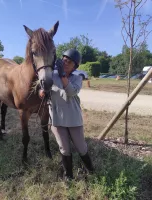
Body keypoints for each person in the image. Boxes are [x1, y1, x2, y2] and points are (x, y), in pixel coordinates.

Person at [39, 49, 94, 180]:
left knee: (81, 147)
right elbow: (42, 87)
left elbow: (71, 92)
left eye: (69, 62)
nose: (65, 63)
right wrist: (41, 92)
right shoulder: (52, 75)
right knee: (64, 148)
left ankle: (91, 170)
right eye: (64, 60)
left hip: (73, 118)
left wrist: (63, 75)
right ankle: (68, 175)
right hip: (57, 118)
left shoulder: (77, 77)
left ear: (75, 65)